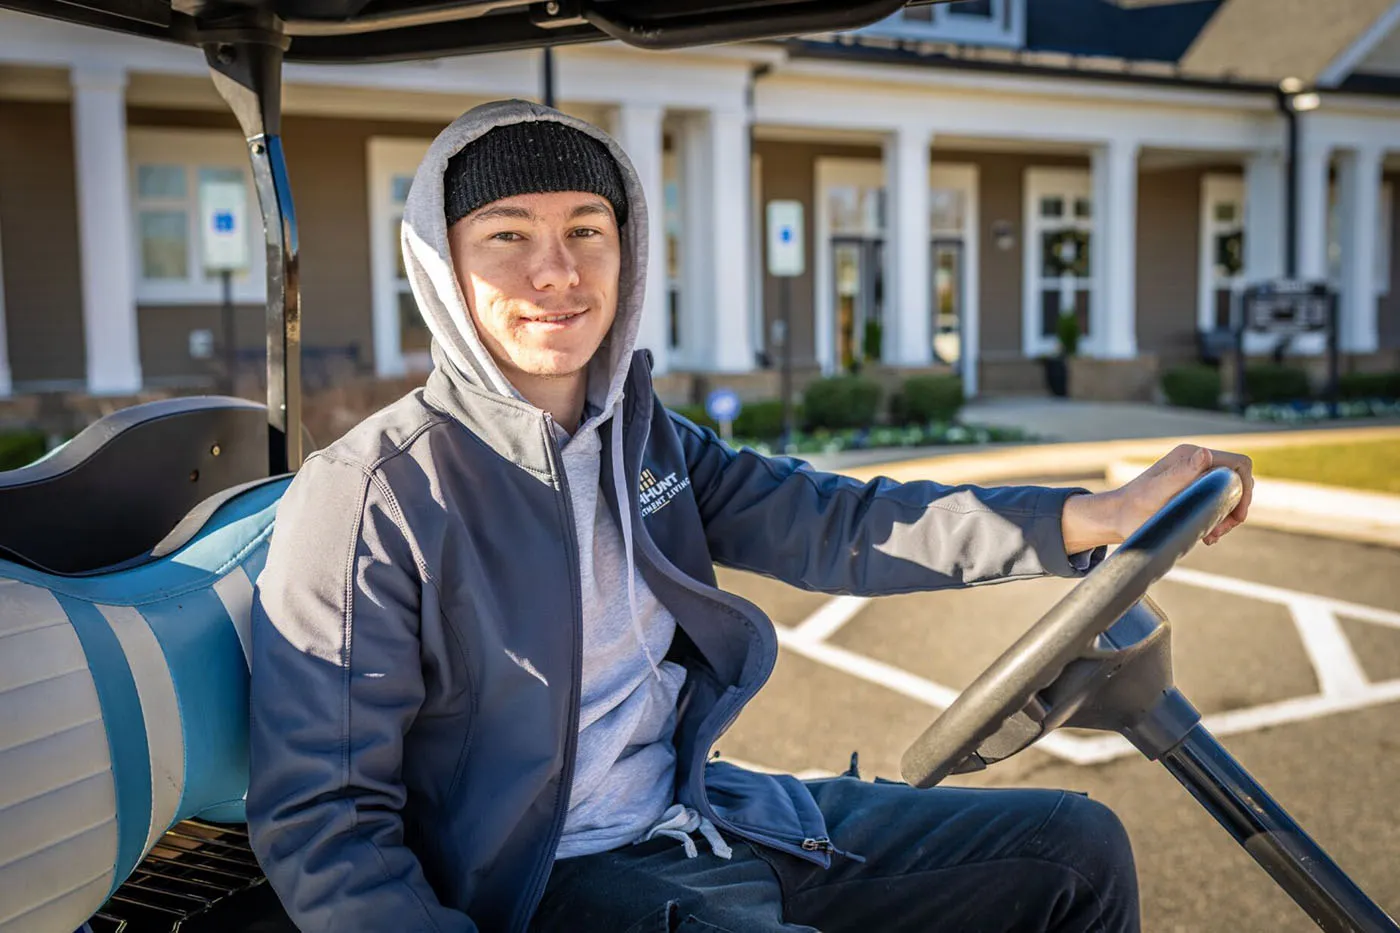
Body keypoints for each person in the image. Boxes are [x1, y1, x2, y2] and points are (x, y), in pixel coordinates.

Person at [247, 99, 1253, 933]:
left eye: (584, 231)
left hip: (703, 820)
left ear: (625, 253)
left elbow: (838, 522)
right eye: (507, 235)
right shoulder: (374, 492)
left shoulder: (645, 439)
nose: (554, 271)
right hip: (547, 887)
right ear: (443, 267)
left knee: (1072, 851)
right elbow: (324, 821)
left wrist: (1092, 514)